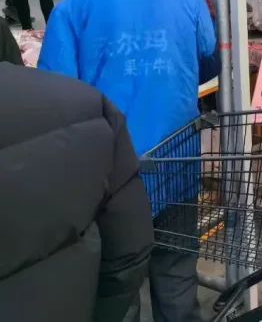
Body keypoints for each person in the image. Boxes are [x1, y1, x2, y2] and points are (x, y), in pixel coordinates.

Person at [38, 0, 218, 322]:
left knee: (118, 282)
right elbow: (208, 59)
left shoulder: (74, 7)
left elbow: (56, 93)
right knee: (176, 268)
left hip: (108, 169)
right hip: (176, 156)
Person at [0, 65, 153, 322]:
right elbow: (129, 248)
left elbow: (57, 63)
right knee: (176, 271)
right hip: (75, 301)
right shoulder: (85, 104)